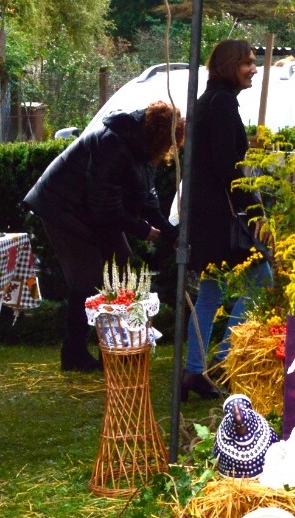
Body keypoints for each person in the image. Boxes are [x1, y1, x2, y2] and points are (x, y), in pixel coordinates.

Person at [24, 101, 182, 371]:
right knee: (86, 278)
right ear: (158, 138)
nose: (169, 151)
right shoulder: (113, 144)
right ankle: (74, 353)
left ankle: (118, 345)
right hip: (61, 207)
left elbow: (146, 198)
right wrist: (142, 229)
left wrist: (170, 233)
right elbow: (104, 207)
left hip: (88, 210)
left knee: (123, 266)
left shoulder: (142, 150)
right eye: (169, 144)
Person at [181, 39, 266, 401]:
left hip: (206, 216)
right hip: (220, 218)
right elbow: (227, 167)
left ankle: (195, 370)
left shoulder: (210, 100)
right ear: (230, 66)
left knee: (210, 293)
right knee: (262, 280)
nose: (253, 69)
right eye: (247, 63)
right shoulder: (222, 103)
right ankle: (223, 360)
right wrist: (255, 210)